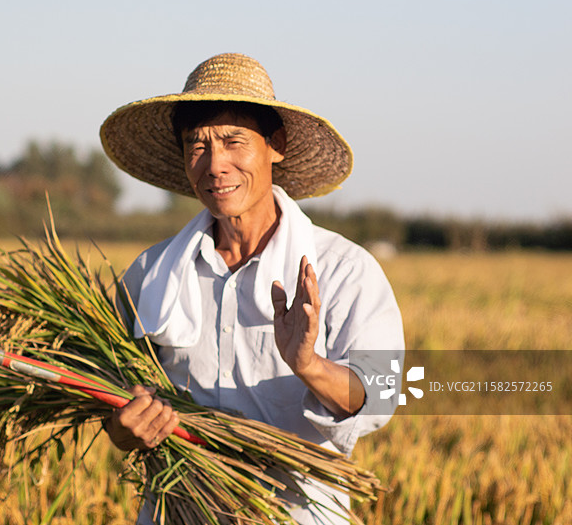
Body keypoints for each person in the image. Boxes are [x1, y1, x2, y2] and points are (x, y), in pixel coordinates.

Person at [99, 53, 404, 524]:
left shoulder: (343, 270)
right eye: (197, 145)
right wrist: (124, 430)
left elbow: (381, 394)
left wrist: (309, 366)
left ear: (275, 145)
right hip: (181, 512)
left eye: (232, 141)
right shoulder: (151, 274)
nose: (215, 164)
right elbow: (112, 399)